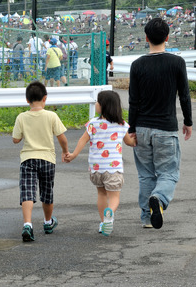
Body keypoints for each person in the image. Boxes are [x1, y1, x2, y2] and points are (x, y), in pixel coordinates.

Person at [128, 18, 193, 229]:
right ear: (167, 37)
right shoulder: (177, 63)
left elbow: (133, 100)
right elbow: (184, 95)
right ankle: (160, 198)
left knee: (146, 173)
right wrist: (188, 121)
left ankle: (147, 218)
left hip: (142, 127)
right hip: (166, 127)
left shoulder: (137, 65)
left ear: (146, 38)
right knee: (169, 173)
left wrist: (131, 128)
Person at [64, 90, 136, 236]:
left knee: (101, 194)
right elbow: (130, 142)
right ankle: (110, 215)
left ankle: (103, 222)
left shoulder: (92, 124)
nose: (96, 104)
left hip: (96, 169)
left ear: (104, 106)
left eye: (98, 101)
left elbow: (82, 140)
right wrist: (136, 140)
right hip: (113, 168)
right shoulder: (122, 125)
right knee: (114, 197)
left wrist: (73, 155)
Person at [12, 81, 69, 242]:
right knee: (47, 192)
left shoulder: (22, 117)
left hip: (28, 159)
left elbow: (16, 139)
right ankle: (47, 222)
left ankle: (28, 224)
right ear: (45, 98)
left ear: (27, 100)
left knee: (27, 192)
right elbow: (62, 137)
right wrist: (65, 152)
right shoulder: (51, 116)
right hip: (47, 159)